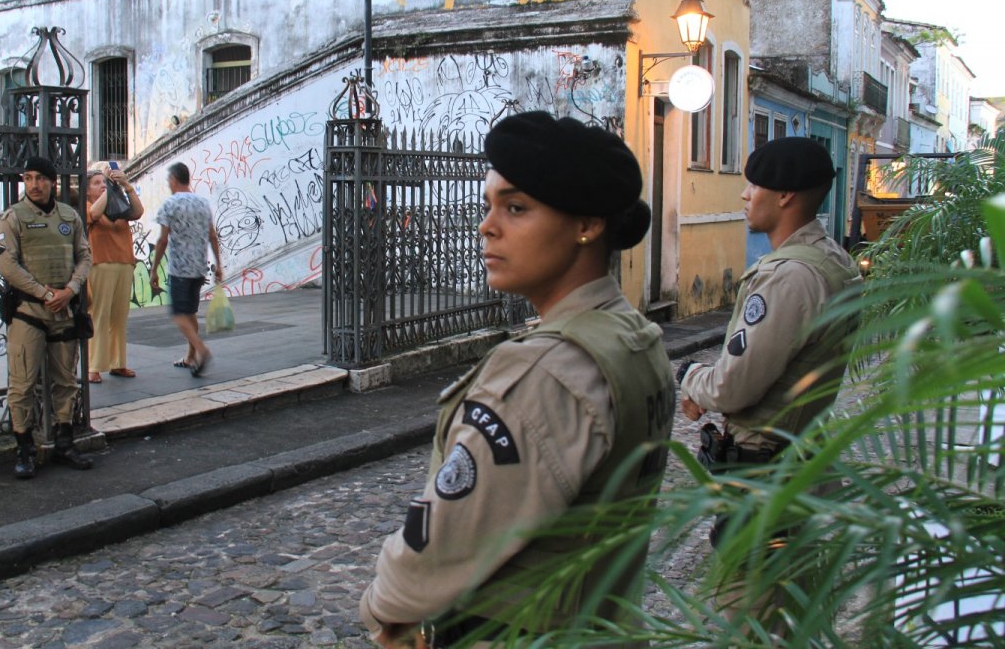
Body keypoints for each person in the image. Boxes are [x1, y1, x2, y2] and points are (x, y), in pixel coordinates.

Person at [359, 111, 675, 648]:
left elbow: (439, 541)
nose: (487, 225)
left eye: (516, 207)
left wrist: (383, 610)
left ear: (587, 225)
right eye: (489, 206)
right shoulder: (630, 335)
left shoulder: (546, 370)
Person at [678, 136, 862, 630]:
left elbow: (734, 387)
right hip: (797, 462)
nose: (744, 195)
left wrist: (690, 378)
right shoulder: (832, 261)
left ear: (784, 196)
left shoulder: (789, 277)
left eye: (753, 184)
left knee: (752, 620)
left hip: (765, 478)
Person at [0, 156, 95, 479]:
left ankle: (65, 441)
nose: (34, 185)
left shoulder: (69, 215)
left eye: (40, 178)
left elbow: (84, 255)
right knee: (22, 385)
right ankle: (24, 448)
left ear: (52, 181)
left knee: (65, 381)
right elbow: (7, 265)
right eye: (29, 178)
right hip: (29, 313)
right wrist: (44, 293)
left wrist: (70, 288)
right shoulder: (13, 217)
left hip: (63, 310)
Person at [149, 162, 223, 378]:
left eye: (168, 181)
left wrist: (154, 270)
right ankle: (190, 356)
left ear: (173, 180)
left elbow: (162, 240)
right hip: (199, 267)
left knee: (179, 314)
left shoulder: (170, 204)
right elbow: (212, 235)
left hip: (179, 268)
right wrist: (218, 264)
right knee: (190, 312)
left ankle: (201, 349)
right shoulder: (202, 203)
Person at [84, 164, 145, 383]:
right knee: (98, 315)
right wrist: (110, 188)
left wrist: (126, 186)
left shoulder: (118, 204)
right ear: (87, 190)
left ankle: (118, 363)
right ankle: (94, 365)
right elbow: (94, 214)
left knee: (119, 316)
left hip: (124, 263)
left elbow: (138, 212)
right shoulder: (88, 205)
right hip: (100, 264)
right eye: (96, 183)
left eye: (103, 182)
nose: (101, 186)